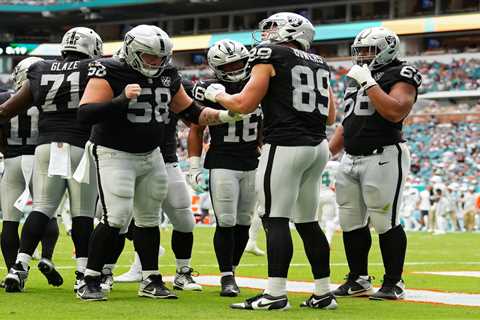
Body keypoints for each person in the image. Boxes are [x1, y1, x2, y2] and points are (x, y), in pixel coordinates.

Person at [75, 24, 244, 301]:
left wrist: (226, 116)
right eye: (150, 56)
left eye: (160, 57)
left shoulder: (168, 73)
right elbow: (85, 114)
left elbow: (191, 112)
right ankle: (91, 278)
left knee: (149, 219)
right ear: (131, 51)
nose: (156, 62)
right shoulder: (109, 69)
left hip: (152, 154)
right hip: (114, 152)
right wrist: (120, 100)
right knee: (115, 217)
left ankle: (151, 278)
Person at [202, 12, 337, 310]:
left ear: (291, 31)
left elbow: (243, 104)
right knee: (307, 222)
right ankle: (324, 292)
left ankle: (275, 294)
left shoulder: (271, 53)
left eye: (273, 28)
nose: (267, 34)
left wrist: (218, 94)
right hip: (318, 146)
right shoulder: (319, 61)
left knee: (275, 219)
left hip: (286, 145)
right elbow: (331, 115)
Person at [0, 27, 103, 293]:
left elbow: (8, 109)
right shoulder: (94, 67)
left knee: (42, 207)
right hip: (80, 145)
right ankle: (82, 273)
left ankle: (19, 267)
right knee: (82, 213)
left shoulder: (41, 68)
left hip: (45, 147)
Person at [329, 27, 422, 300]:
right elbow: (348, 123)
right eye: (360, 51)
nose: (364, 56)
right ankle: (358, 279)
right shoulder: (355, 77)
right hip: (351, 157)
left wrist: (369, 83)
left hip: (383, 155)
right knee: (350, 221)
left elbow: (395, 111)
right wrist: (327, 153)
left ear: (388, 49)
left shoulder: (401, 73)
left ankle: (394, 282)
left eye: (370, 50)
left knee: (384, 220)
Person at [188, 39, 261, 297]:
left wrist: (262, 147)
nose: (235, 68)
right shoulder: (208, 88)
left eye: (239, 63)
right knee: (226, 220)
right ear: (217, 67)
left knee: (244, 221)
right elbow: (196, 127)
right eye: (228, 65)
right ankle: (226, 277)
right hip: (223, 161)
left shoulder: (258, 83)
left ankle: (233, 269)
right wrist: (194, 164)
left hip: (251, 160)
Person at [113, 79, 202, 292]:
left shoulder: (173, 81)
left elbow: (196, 112)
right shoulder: (116, 77)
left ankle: (183, 272)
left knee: (183, 216)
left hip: (166, 157)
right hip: (127, 159)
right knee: (113, 217)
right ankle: (107, 271)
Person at [0, 57, 60, 288]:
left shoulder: (5, 98)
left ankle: (12, 273)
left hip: (14, 158)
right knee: (46, 211)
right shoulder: (47, 99)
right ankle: (47, 257)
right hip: (40, 158)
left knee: (10, 220)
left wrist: (5, 149)